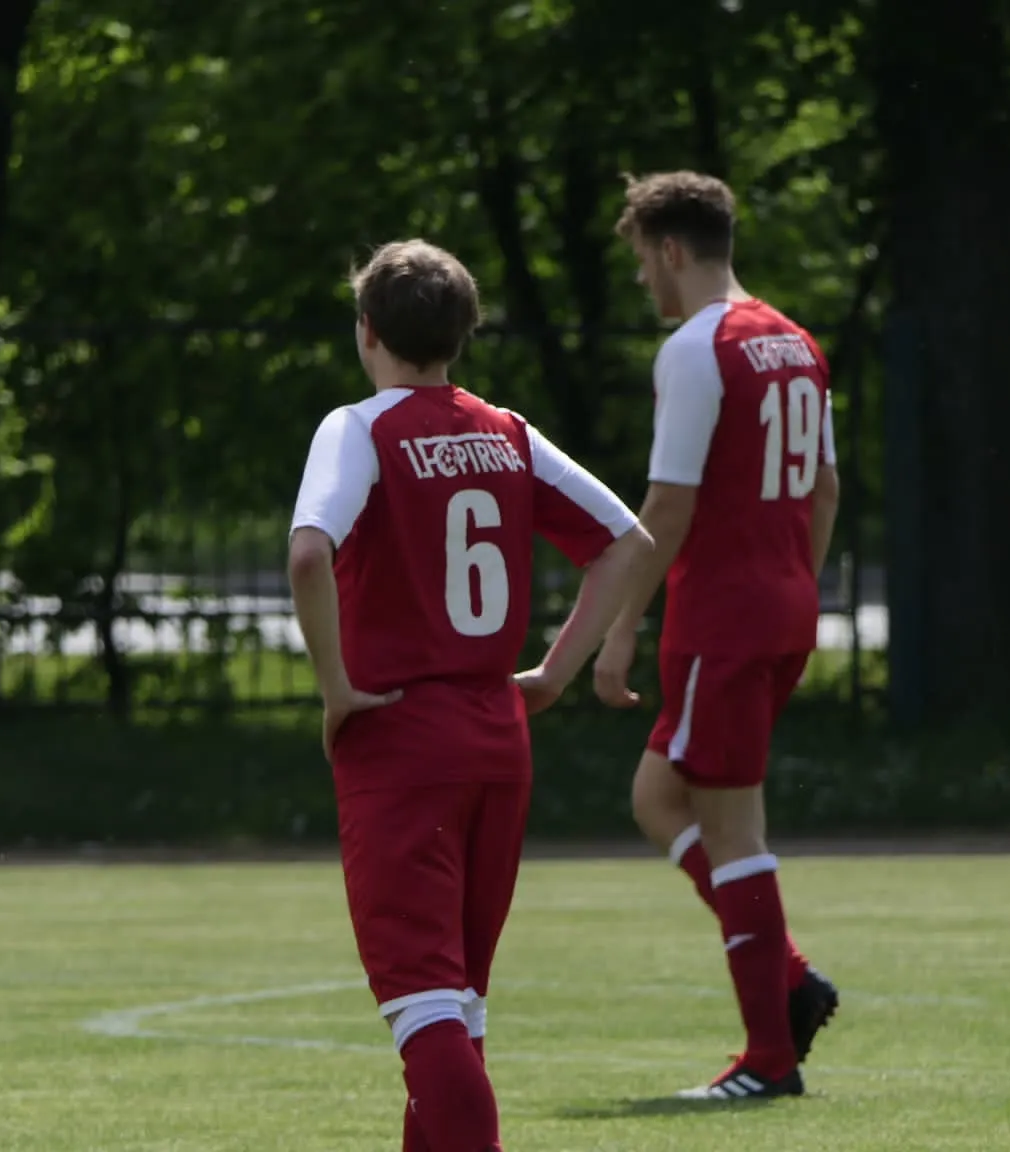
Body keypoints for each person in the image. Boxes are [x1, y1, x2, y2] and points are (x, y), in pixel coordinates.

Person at [287, 238, 652, 1148]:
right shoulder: (507, 432)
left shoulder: (359, 428)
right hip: (496, 735)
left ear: (366, 331)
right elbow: (628, 542)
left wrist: (336, 690)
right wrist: (556, 673)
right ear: (464, 333)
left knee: (424, 1009)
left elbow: (308, 555)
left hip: (401, 737)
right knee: (456, 1004)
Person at [592, 171, 841, 1100]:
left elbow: (667, 506)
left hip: (723, 620)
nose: (642, 280)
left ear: (671, 249)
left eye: (641, 260)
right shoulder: (796, 342)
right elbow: (824, 489)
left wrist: (619, 629)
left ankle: (770, 1057)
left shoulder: (698, 349)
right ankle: (788, 976)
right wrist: (796, 588)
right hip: (780, 605)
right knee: (659, 796)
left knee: (733, 829)